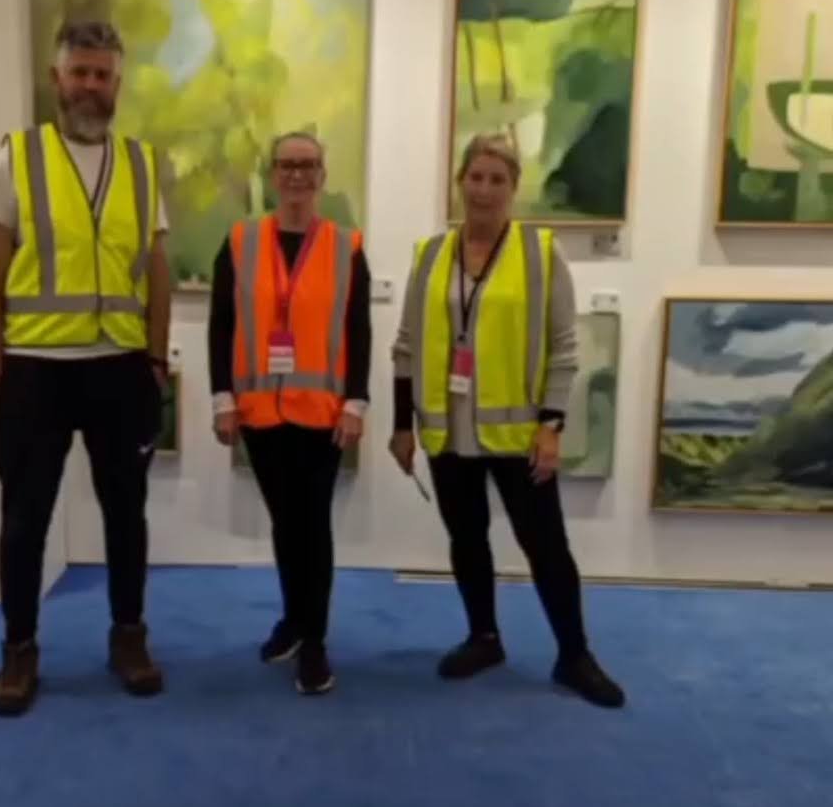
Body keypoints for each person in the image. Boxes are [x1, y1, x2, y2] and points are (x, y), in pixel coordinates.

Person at [0, 20, 172, 716]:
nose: (91, 86)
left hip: (120, 367)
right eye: (79, 73)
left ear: (118, 83)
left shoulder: (143, 165)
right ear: (56, 79)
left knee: (127, 515)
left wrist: (155, 358)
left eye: (102, 75)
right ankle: (19, 650)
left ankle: (129, 637)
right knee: (24, 520)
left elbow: (157, 271)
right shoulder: (17, 158)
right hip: (35, 369)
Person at [389, 133, 624, 708]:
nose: (485, 189)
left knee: (547, 546)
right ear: (460, 182)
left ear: (513, 188)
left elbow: (564, 348)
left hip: (519, 435)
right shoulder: (429, 255)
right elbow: (406, 346)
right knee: (467, 538)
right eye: (476, 177)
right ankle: (484, 638)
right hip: (447, 432)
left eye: (498, 179)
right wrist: (402, 425)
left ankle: (575, 655)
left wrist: (552, 425)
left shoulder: (540, 254)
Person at [208, 131, 371, 696]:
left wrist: (356, 402)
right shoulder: (240, 241)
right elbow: (222, 325)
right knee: (284, 522)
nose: (297, 174)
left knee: (313, 525)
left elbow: (358, 330)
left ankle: (315, 640)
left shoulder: (347, 247)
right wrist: (222, 398)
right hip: (259, 414)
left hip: (322, 415)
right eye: (286, 165)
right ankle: (294, 619)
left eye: (308, 165)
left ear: (322, 175)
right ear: (272, 174)